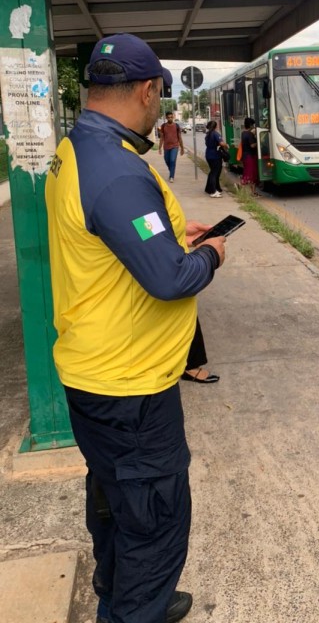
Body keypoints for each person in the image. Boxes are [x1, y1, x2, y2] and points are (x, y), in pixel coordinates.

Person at [45, 33, 226, 623]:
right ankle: (135, 606)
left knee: (115, 499)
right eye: (160, 96)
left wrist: (171, 233)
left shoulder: (78, 148)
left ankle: (121, 594)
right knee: (155, 521)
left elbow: (121, 235)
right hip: (131, 391)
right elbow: (171, 278)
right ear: (148, 90)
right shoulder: (118, 172)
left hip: (95, 376)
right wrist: (211, 254)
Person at [204, 119, 228, 198]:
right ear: (215, 126)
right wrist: (226, 145)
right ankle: (213, 191)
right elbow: (221, 143)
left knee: (212, 172)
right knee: (214, 173)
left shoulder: (208, 134)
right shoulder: (215, 134)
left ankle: (209, 188)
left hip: (208, 154)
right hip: (215, 155)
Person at [158, 110, 184, 182]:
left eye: (171, 117)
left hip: (174, 146)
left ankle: (171, 176)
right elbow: (162, 138)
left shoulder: (176, 126)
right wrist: (159, 148)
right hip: (166, 147)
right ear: (166, 118)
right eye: (168, 117)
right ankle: (172, 171)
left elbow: (180, 137)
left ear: (173, 117)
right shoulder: (163, 126)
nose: (170, 118)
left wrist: (182, 148)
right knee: (167, 161)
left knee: (172, 160)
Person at [240, 117, 260, 197]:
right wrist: (258, 142)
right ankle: (243, 189)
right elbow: (252, 145)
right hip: (250, 156)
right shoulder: (250, 134)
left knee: (248, 173)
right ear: (251, 125)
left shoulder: (243, 133)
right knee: (251, 174)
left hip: (245, 156)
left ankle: (253, 192)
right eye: (253, 125)